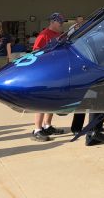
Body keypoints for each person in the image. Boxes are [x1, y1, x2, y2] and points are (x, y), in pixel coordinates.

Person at [31, 13, 66, 142]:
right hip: (45, 72)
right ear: (52, 22)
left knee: (51, 100)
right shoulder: (44, 35)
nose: (62, 25)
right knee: (42, 101)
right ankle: (37, 130)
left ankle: (47, 125)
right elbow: (36, 53)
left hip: (56, 72)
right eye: (60, 22)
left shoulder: (59, 35)